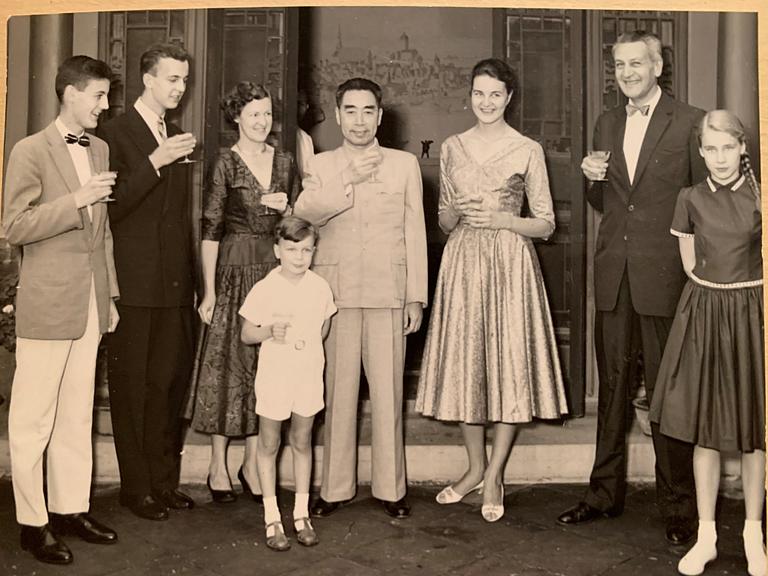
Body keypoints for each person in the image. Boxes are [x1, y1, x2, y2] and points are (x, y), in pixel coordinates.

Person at [556, 31, 707, 545]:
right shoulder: (606, 120)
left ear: (658, 65)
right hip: (614, 276)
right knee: (613, 395)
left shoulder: (690, 121)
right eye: (619, 65)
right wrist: (591, 179)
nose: (626, 73)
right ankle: (602, 495)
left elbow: (704, 203)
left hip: (666, 279)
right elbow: (612, 205)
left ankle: (679, 509)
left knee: (669, 398)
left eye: (636, 63)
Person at [415, 58, 568, 523]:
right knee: (467, 362)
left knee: (507, 365)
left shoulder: (527, 148)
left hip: (509, 263)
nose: (486, 102)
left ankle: (496, 472)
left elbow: (545, 222)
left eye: (495, 95)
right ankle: (474, 466)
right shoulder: (453, 147)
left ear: (509, 98)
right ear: (470, 96)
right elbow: (442, 219)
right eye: (479, 94)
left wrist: (504, 219)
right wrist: (454, 212)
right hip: (463, 262)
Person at [294, 77, 428, 519]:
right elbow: (303, 214)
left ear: (380, 116)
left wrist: (415, 297)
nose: (359, 120)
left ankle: (391, 489)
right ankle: (334, 489)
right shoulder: (322, 163)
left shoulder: (405, 164)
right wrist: (345, 180)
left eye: (367, 110)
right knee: (339, 393)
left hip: (389, 292)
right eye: (350, 110)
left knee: (389, 394)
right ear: (337, 115)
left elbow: (414, 232)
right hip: (336, 293)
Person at [3, 55, 119, 564]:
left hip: (89, 303)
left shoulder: (100, 147)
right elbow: (15, 227)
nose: (105, 104)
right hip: (47, 303)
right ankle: (33, 523)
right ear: (69, 94)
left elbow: (104, 234)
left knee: (76, 415)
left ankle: (71, 508)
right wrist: (76, 198)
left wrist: (109, 296)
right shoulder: (29, 151)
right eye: (97, 95)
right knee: (33, 420)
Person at [649, 110, 765, 576]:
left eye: (727, 147)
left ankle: (753, 533)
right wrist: (713, 304)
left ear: (742, 148)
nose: (719, 158)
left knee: (755, 432)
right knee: (705, 430)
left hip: (752, 316)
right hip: (704, 315)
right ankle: (707, 535)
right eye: (710, 149)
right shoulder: (690, 198)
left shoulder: (761, 197)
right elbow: (690, 263)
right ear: (701, 153)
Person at [185, 82, 298, 503]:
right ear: (236, 117)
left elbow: (296, 222)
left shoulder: (285, 161)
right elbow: (210, 229)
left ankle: (253, 464)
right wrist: (209, 291)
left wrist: (287, 209)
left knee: (265, 366)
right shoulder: (224, 163)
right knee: (227, 364)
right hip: (232, 269)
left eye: (267, 114)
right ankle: (218, 464)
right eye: (253, 114)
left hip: (272, 271)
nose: (261, 121)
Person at [98, 43, 197, 521]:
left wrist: (195, 286)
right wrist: (155, 162)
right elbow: (111, 210)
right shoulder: (113, 133)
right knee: (132, 391)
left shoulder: (173, 132)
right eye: (172, 79)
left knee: (167, 387)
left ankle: (163, 483)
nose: (180, 88)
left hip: (175, 288)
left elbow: (180, 220)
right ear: (148, 80)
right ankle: (135, 489)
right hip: (133, 288)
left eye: (184, 79)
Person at [240, 215, 336, 551]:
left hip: (307, 375)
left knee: (301, 441)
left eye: (306, 250)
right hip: (275, 377)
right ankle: (271, 517)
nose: (300, 257)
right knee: (269, 444)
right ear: (278, 250)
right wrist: (268, 331)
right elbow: (247, 332)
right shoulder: (265, 288)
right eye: (292, 249)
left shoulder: (320, 286)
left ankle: (300, 514)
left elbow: (322, 328)